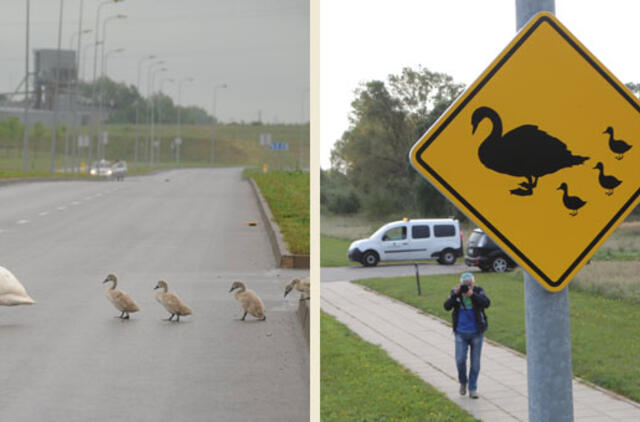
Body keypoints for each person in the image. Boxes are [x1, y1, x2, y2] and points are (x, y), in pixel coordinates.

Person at [443, 272, 490, 399]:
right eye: (465, 284)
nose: (467, 286)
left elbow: (486, 303)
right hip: (460, 333)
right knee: (460, 360)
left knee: (475, 363)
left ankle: (473, 388)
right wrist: (455, 295)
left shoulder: (478, 291)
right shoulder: (455, 292)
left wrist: (472, 295)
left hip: (476, 333)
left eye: (469, 284)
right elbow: (446, 307)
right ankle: (463, 381)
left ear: (473, 283)